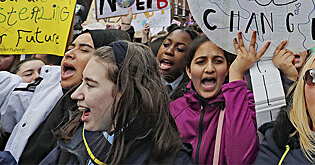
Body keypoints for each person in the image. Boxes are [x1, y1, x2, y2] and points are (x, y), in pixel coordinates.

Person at [40, 41, 193, 164]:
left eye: (90, 85)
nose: (75, 95)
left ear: (127, 93)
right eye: (82, 82)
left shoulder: (172, 159)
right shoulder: (75, 138)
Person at [0, 29, 119, 164]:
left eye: (84, 50)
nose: (69, 54)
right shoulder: (46, 88)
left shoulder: (100, 123)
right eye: (70, 48)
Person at [170, 31, 267, 165]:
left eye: (217, 61)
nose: (209, 68)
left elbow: (241, 161)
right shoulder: (173, 111)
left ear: (228, 68)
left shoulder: (245, 103)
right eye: (201, 62)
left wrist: (236, 77)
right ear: (189, 71)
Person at [156, 26, 198, 99]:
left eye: (179, 49)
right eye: (166, 45)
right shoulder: (143, 83)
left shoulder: (195, 93)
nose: (169, 51)